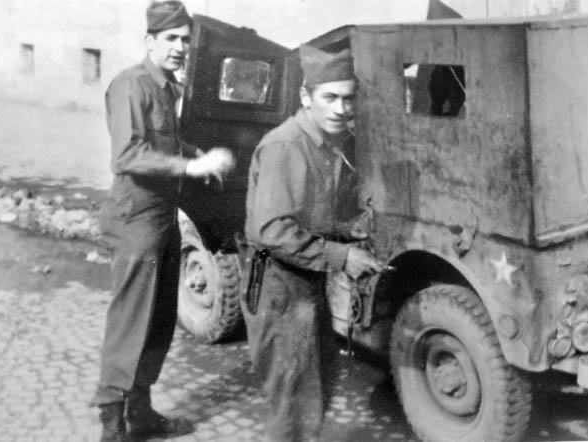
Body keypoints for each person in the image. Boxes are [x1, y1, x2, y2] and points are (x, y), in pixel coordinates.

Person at [91, 2, 234, 442]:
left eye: (185, 41)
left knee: (158, 322)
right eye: (170, 39)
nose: (179, 48)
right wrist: (190, 168)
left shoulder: (167, 88)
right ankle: (112, 426)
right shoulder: (130, 86)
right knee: (131, 322)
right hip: (136, 220)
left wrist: (193, 154)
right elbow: (128, 154)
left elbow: (164, 140)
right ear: (149, 41)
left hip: (163, 219)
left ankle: (142, 413)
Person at [243, 44, 385, 442]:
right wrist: (342, 256)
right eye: (330, 98)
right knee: (291, 401)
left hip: (304, 282)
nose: (341, 108)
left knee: (315, 388)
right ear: (306, 98)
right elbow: (272, 232)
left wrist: (345, 228)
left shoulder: (325, 143)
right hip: (278, 288)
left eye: (348, 98)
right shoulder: (287, 146)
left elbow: (308, 215)